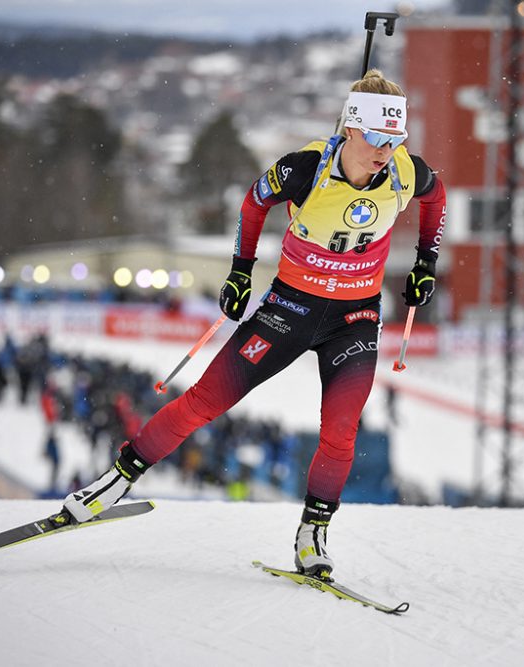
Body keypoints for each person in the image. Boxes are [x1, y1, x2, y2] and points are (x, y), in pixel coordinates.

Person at [61, 69, 447, 578]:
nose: (384, 150)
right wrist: (241, 272)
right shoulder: (305, 168)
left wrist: (425, 263)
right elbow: (253, 201)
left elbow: (436, 200)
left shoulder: (404, 170)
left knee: (340, 433)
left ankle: (313, 535)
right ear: (351, 128)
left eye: (393, 138)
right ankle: (116, 481)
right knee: (204, 402)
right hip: (290, 310)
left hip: (353, 319)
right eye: (375, 136)